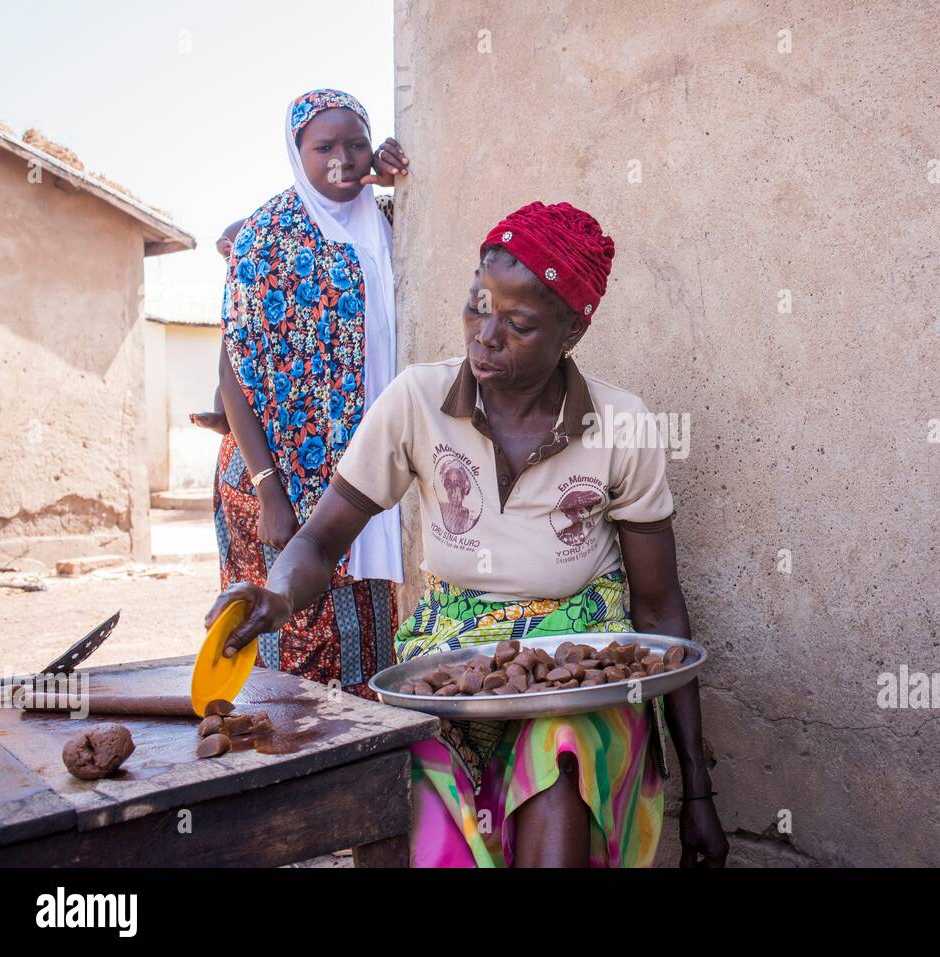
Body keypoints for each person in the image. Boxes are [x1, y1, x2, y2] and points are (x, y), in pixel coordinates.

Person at [207, 201, 729, 867]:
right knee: (408, 775)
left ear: (571, 332)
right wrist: (276, 595)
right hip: (448, 664)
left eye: (517, 324)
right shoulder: (417, 401)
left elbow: (659, 610)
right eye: (477, 305)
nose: (484, 335)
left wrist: (701, 792)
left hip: (582, 669)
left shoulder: (621, 423)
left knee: (560, 752)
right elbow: (318, 541)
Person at [211, 88, 410, 698]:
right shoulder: (267, 235)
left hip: (361, 478)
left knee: (367, 656)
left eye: (356, 144)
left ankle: (359, 783)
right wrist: (271, 489)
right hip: (273, 482)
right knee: (280, 654)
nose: (342, 159)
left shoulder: (389, 225)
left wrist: (397, 173)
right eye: (324, 147)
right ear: (297, 153)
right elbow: (233, 372)